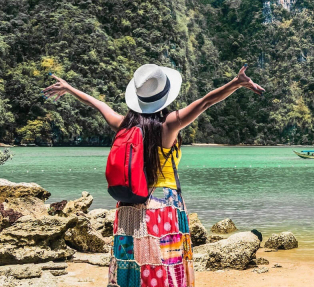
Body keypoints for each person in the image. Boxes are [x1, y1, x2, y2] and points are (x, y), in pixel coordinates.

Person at [43, 63, 264, 287]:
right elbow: (206, 102)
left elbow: (98, 105)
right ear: (164, 97)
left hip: (129, 204)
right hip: (164, 206)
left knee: (133, 263)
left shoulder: (124, 125)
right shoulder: (169, 125)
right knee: (164, 265)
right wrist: (236, 83)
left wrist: (70, 88)